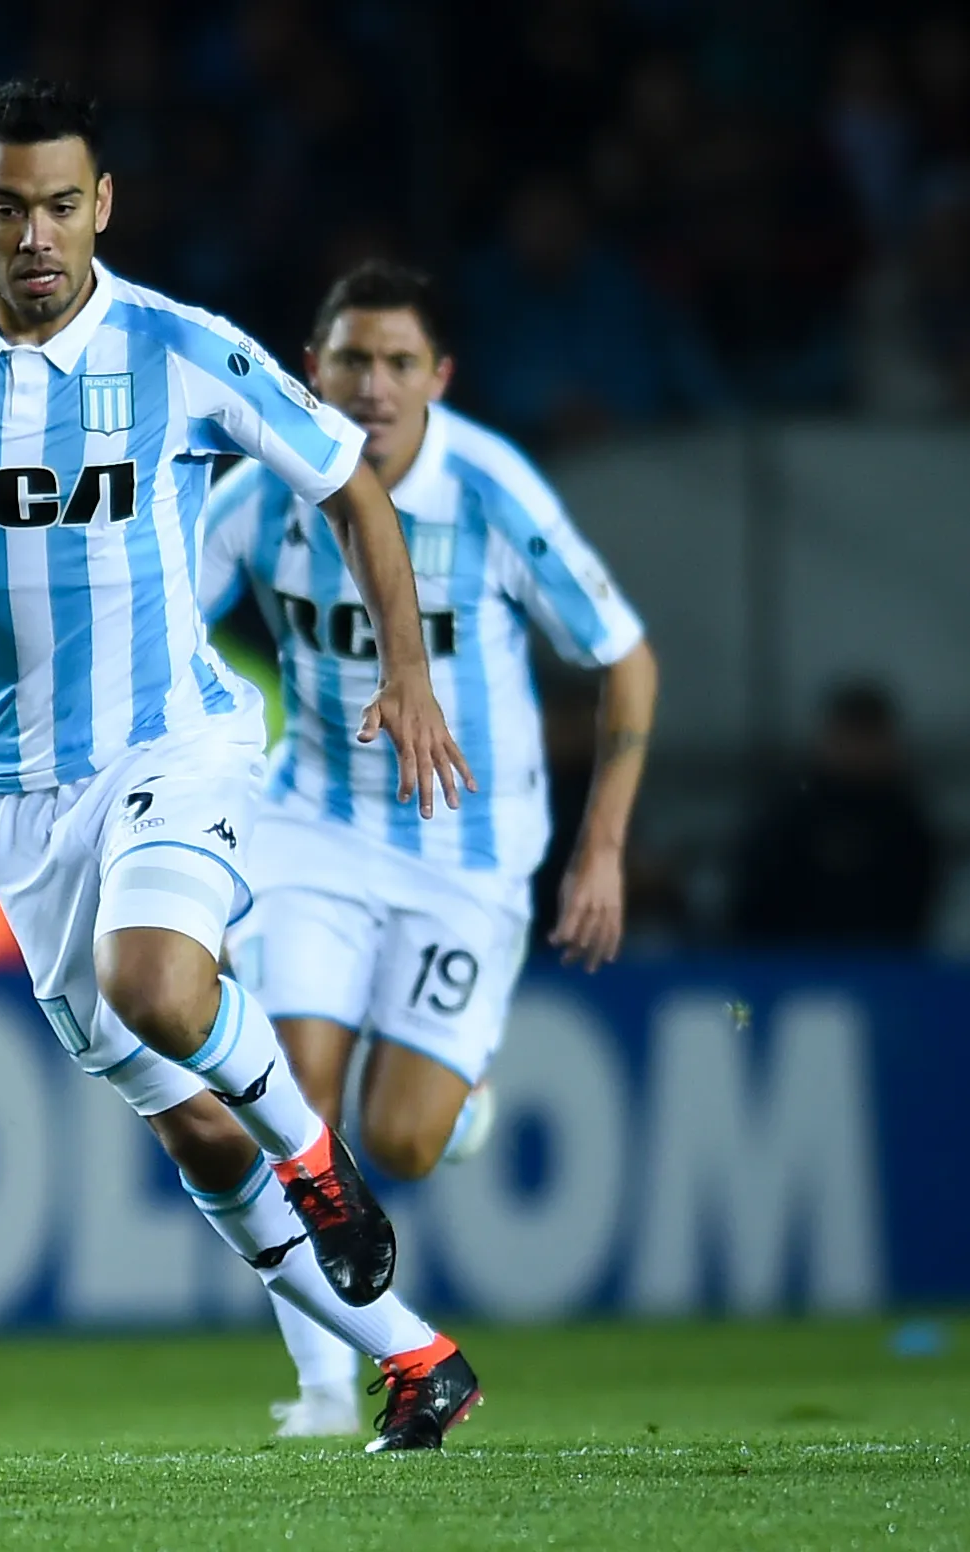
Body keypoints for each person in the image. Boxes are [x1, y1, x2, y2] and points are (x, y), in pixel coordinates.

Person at [0, 81, 480, 1453]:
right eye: (8, 207)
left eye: (62, 204)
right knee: (194, 1133)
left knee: (157, 981)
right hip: (11, 793)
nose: (36, 234)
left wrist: (405, 670)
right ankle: (418, 1360)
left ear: (101, 204)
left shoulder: (177, 347)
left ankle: (315, 1157)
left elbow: (348, 481)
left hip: (170, 739)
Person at [202, 261, 657, 1435]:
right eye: (352, 358)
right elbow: (160, 619)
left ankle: (456, 1110)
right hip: (311, 826)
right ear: (311, 368)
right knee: (289, 1103)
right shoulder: (261, 493)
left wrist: (601, 850)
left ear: (437, 378)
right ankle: (321, 1387)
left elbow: (623, 658)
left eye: (399, 362)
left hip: (468, 849)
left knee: (398, 1138)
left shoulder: (490, 490)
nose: (373, 384)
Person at [734, 681, 940, 946]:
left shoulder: (906, 820)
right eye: (852, 737)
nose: (861, 751)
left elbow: (915, 904)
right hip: (790, 956)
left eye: (871, 738)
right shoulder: (787, 815)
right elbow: (755, 900)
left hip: (883, 958)